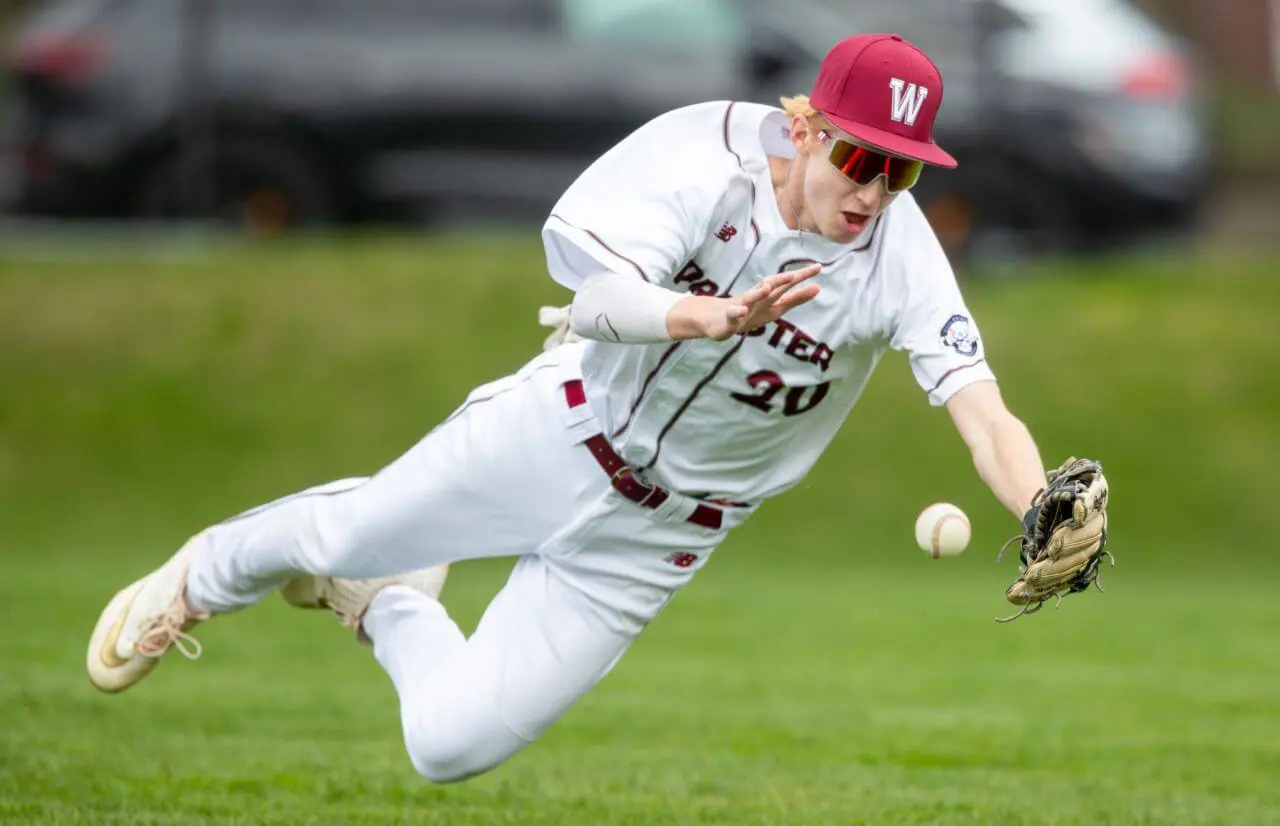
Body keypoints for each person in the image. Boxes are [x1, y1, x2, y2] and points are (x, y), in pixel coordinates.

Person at [86, 34, 1055, 783]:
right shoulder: (697, 155)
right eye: (860, 158)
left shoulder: (899, 255)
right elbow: (589, 295)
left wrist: (1038, 505)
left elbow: (979, 409)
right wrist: (698, 315)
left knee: (447, 746)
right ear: (802, 129)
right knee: (344, 532)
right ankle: (206, 572)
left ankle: (381, 604)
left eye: (904, 170)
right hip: (562, 431)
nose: (877, 190)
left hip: (663, 535)